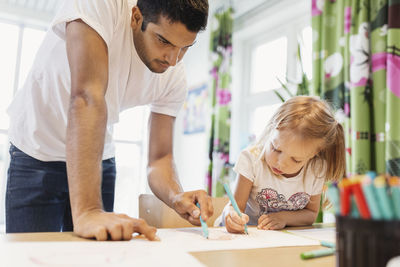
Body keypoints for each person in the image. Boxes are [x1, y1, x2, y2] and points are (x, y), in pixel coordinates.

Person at [6, 0, 213, 241]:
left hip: (98, 157)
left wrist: (176, 196)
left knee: (96, 258)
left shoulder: (174, 76)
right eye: (164, 41)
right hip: (37, 150)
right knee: (33, 255)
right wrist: (88, 211)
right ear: (136, 18)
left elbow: (160, 158)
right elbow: (87, 96)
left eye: (186, 47)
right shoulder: (101, 4)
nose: (174, 59)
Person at [222, 96, 345, 233]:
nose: (280, 163)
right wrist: (230, 215)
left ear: (315, 154)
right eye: (276, 148)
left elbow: (311, 214)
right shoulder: (252, 160)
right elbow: (234, 206)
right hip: (248, 235)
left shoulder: (316, 170)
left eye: (296, 159)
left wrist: (284, 218)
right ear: (271, 129)